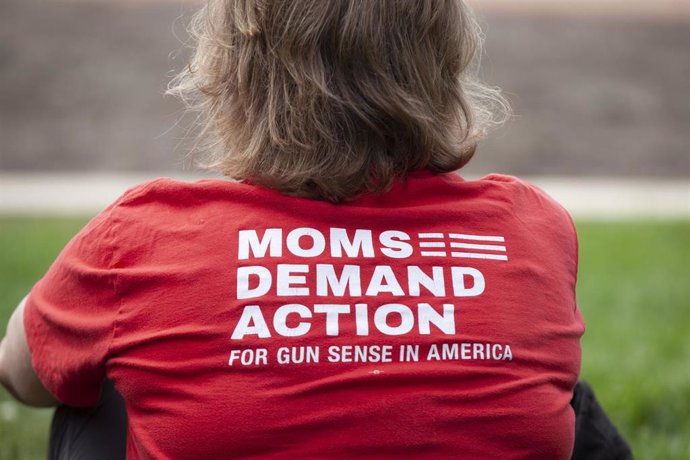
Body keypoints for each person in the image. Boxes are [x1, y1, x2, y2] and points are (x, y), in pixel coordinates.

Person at [0, 0, 629, 458]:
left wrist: (68, 308)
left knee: (98, 380)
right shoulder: (532, 227)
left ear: (233, 70)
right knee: (567, 397)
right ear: (443, 63)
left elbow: (22, 374)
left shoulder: (139, 236)